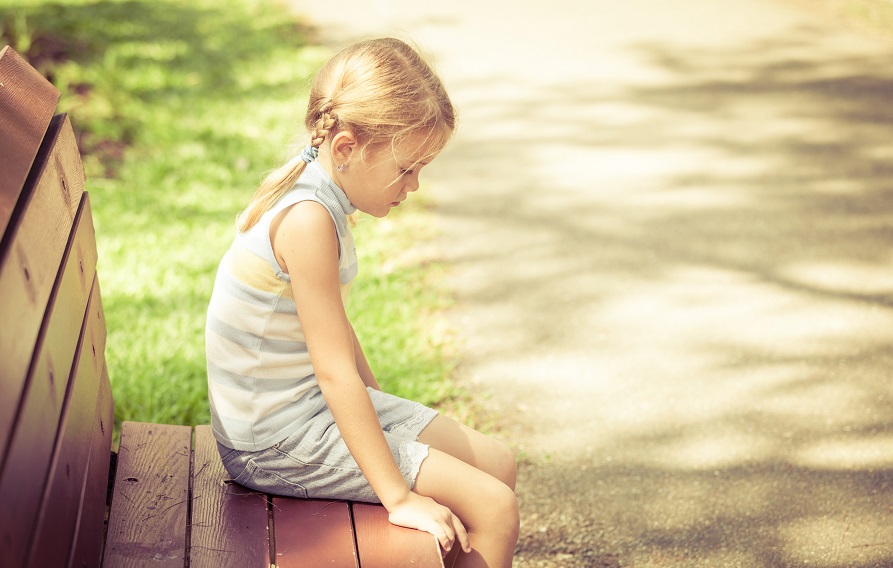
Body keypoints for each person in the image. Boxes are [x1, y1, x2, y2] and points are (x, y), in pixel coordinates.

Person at [205, 38, 519, 567]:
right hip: (274, 442)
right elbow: (332, 373)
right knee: (496, 507)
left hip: (308, 412)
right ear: (347, 148)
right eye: (406, 168)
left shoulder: (325, 193)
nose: (415, 185)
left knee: (497, 463)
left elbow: (336, 334)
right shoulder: (307, 219)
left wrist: (386, 411)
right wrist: (399, 496)